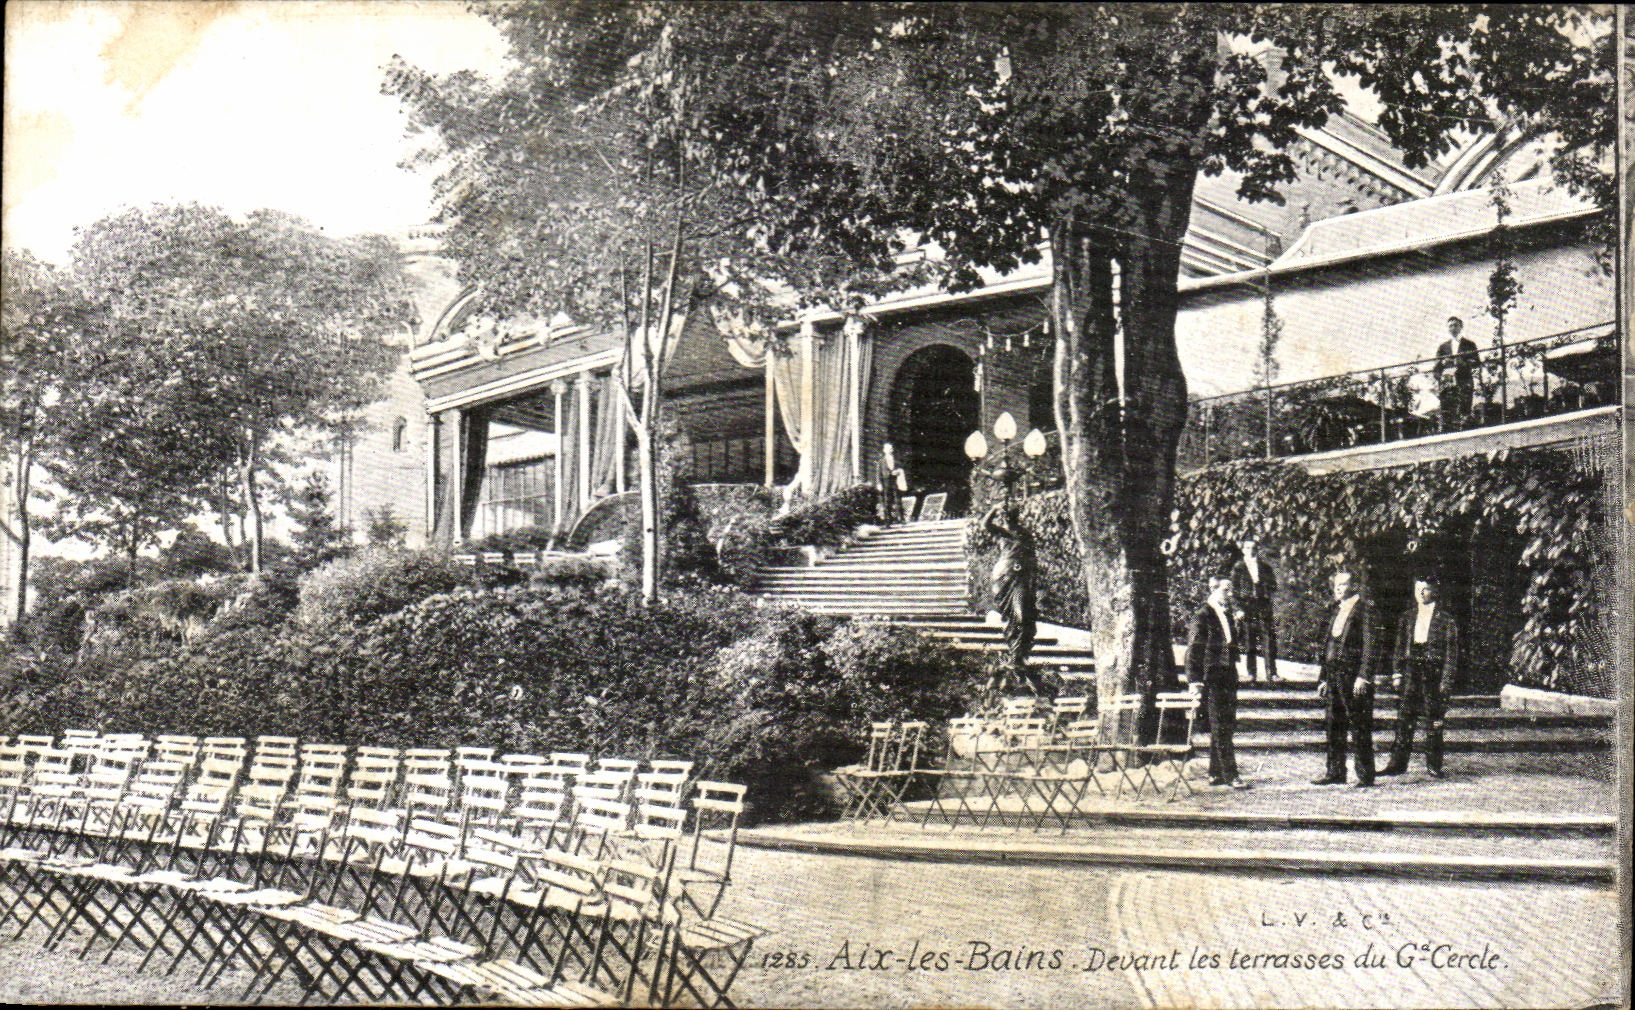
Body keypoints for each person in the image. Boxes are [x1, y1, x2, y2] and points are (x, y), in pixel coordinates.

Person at [1382, 574, 1460, 779]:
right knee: (1404, 718)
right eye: (1417, 589)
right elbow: (1399, 647)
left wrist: (1446, 680)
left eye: (1424, 589)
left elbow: (1451, 654)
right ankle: (1397, 764)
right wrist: (1397, 673)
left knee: (1433, 719)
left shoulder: (1446, 620)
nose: (1420, 593)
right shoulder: (1407, 617)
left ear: (1434, 591)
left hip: (1432, 673)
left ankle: (1434, 764)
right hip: (1411, 671)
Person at [1311, 568, 1377, 788]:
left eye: (1344, 584)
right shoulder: (1334, 609)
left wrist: (1363, 676)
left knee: (1359, 725)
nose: (1338, 589)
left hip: (1353, 677)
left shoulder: (1364, 610)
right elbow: (1327, 646)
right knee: (1333, 724)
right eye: (1336, 585)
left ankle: (1365, 775)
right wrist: (1323, 678)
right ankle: (1335, 772)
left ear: (1354, 586)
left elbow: (1370, 646)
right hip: (1333, 675)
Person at [1183, 575, 1248, 789]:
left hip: (1228, 674)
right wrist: (1194, 680)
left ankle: (1215, 772)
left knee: (1225, 724)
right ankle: (1231, 774)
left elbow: (1231, 644)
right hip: (1212, 677)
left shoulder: (1227, 614)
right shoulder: (1203, 614)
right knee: (1220, 725)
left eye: (1232, 590)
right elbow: (1193, 649)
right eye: (1226, 590)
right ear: (1213, 589)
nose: (1230, 594)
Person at [982, 502, 1044, 695]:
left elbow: (1032, 558)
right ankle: (1015, 657)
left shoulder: (1025, 534)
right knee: (1012, 615)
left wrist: (1032, 578)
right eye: (1005, 514)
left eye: (1011, 514)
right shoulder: (1001, 532)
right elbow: (985, 524)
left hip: (1020, 576)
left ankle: (1018, 656)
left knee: (1023, 616)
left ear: (1017, 515)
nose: (1008, 517)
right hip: (1003, 576)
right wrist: (994, 509)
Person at [1229, 536, 1279, 683]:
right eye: (1247, 548)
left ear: (1257, 550)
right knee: (1249, 641)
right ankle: (1251, 673)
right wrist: (1238, 609)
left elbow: (1273, 585)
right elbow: (1233, 591)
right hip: (1247, 607)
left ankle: (1272, 673)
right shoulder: (1238, 567)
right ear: (1243, 550)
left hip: (1263, 606)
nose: (1251, 551)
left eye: (1253, 548)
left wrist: (1265, 592)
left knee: (1268, 640)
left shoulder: (1265, 567)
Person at [1433, 316, 1479, 432]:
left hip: (1464, 382)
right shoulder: (1443, 347)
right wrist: (1442, 367)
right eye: (1450, 326)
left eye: (1455, 325)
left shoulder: (1469, 345)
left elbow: (1476, 363)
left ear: (1461, 327)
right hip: (1448, 386)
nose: (1453, 328)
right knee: (1449, 412)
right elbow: (1436, 369)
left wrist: (1462, 363)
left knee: (1465, 411)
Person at [876, 442, 907, 525]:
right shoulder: (881, 461)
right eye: (888, 449)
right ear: (884, 450)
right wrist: (879, 484)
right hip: (886, 482)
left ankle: (902, 519)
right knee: (887, 501)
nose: (890, 450)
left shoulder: (896, 460)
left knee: (898, 500)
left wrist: (897, 472)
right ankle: (888, 521)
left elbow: (901, 469)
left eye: (891, 448)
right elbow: (878, 474)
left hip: (895, 481)